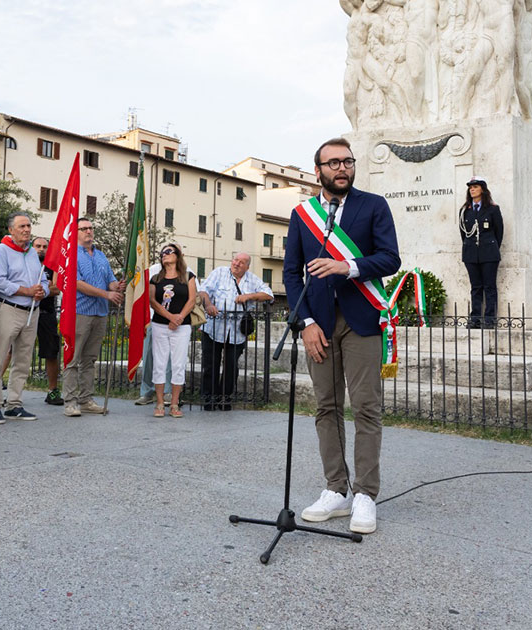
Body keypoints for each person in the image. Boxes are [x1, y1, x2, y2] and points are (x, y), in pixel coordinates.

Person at [285, 137, 401, 534]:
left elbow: (390, 258)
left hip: (362, 319)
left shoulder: (374, 206)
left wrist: (346, 267)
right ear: (317, 170)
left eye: (347, 162)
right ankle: (336, 488)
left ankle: (365, 494)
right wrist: (305, 324)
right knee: (327, 407)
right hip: (318, 321)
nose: (342, 169)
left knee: (366, 407)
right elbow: (291, 272)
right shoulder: (303, 214)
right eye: (333, 163)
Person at [0, 212, 48, 423]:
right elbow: (0, 282)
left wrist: (42, 292)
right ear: (11, 230)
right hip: (10, 309)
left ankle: (14, 404)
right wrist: (27, 291)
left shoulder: (32, 252)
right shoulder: (2, 250)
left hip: (32, 311)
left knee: (23, 360)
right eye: (22, 226)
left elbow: (43, 280)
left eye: (29, 226)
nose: (27, 230)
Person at [63, 217, 123, 417]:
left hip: (100, 313)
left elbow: (110, 281)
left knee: (90, 359)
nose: (89, 231)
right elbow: (77, 283)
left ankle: (86, 399)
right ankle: (70, 401)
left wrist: (117, 287)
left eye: (90, 228)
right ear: (76, 232)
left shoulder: (101, 256)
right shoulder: (72, 255)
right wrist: (107, 294)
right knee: (73, 358)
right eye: (84, 229)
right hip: (80, 312)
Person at [198, 252, 273, 411]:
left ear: (247, 266)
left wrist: (249, 296)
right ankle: (209, 398)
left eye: (242, 262)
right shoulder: (219, 272)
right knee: (210, 365)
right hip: (213, 327)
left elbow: (269, 294)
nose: (237, 263)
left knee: (231, 366)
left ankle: (225, 398)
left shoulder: (252, 279)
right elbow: (203, 291)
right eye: (235, 260)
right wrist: (209, 305)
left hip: (237, 332)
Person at [149, 243, 198, 418]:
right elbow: (153, 301)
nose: (164, 255)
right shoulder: (155, 278)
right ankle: (160, 402)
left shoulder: (188, 276)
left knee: (178, 364)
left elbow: (192, 300)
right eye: (162, 253)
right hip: (160, 324)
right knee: (159, 364)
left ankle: (175, 403)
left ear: (178, 255)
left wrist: (178, 318)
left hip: (182, 326)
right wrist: (170, 317)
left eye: (168, 251)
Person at [459, 176, 504, 329]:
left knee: (489, 287)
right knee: (475, 287)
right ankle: (475, 318)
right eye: (470, 187)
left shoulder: (492, 209)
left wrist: (490, 247)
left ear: (483, 190)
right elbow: (463, 233)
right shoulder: (465, 210)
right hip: (471, 253)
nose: (472, 189)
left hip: (489, 253)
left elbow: (499, 232)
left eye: (476, 187)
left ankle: (490, 319)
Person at [133, 261, 171, 407]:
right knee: (148, 356)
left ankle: (168, 392)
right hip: (153, 320)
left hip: (175, 322)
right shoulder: (154, 270)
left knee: (170, 358)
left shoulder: (186, 272)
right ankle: (146, 392)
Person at [33, 236, 63, 406]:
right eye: (38, 246)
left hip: (46, 312)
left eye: (44, 246)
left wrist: (41, 290)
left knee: (51, 351)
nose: (41, 249)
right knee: (14, 350)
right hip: (26, 311)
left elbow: (57, 289)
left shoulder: (53, 266)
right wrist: (47, 287)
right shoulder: (27, 263)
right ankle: (5, 390)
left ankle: (52, 390)